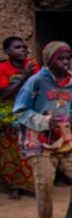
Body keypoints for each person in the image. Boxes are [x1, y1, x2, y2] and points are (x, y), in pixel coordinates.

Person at [13, 41, 72, 218]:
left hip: (64, 138)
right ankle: (44, 217)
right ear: (50, 60)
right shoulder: (37, 81)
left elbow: (71, 108)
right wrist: (43, 122)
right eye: (61, 58)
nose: (66, 62)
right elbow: (20, 110)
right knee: (45, 180)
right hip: (37, 139)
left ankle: (71, 216)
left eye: (68, 58)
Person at [0, 36, 39, 199]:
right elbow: (4, 93)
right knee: (11, 153)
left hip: (30, 113)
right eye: (17, 47)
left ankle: (33, 185)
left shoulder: (32, 65)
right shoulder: (2, 67)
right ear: (7, 51)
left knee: (32, 149)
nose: (23, 49)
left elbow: (40, 88)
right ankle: (15, 185)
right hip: (8, 116)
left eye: (24, 47)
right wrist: (24, 77)